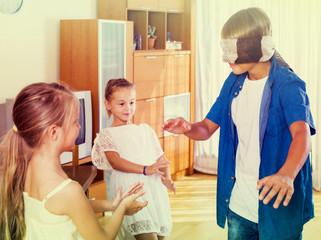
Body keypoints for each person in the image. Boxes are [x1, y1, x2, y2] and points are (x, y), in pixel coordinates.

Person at [162, 8, 316, 240]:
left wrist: (286, 174)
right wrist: (187, 128)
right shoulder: (234, 82)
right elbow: (206, 128)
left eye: (234, 48)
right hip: (238, 205)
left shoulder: (289, 85)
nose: (226, 57)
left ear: (258, 46)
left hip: (276, 205)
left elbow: (302, 137)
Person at [0, 82, 148, 240]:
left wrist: (111, 204)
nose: (79, 127)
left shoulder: (24, 169)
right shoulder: (69, 190)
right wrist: (122, 208)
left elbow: (72, 206)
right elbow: (102, 238)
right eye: (75, 122)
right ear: (54, 132)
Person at [92, 78, 176, 240]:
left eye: (131, 102)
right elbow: (116, 162)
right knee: (145, 234)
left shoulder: (145, 130)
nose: (128, 108)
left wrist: (168, 178)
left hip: (154, 190)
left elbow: (161, 158)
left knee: (160, 236)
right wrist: (146, 169)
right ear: (108, 104)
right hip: (131, 191)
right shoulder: (106, 135)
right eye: (121, 104)